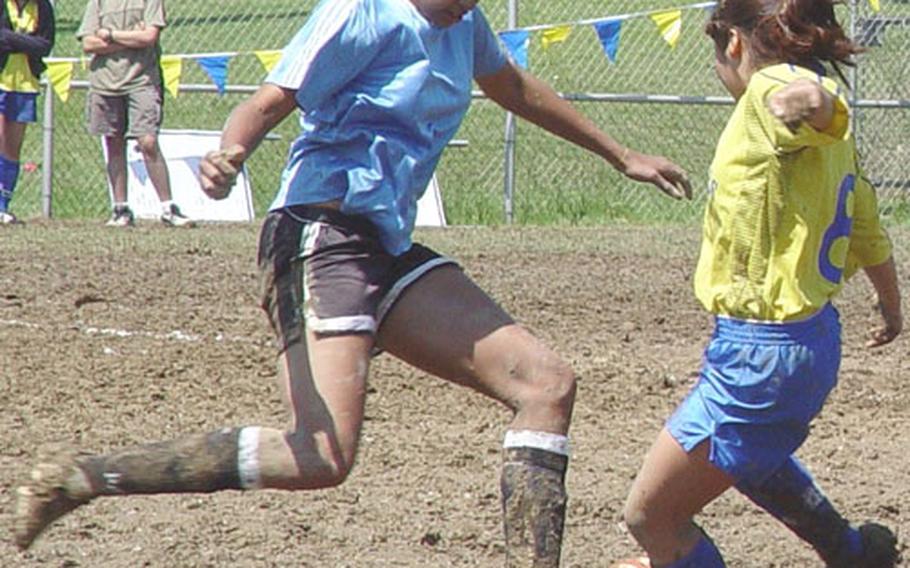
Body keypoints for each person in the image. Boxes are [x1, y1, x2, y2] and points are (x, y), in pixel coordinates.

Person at [14, 0, 691, 565]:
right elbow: (270, 99)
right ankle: (81, 477)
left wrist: (622, 155)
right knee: (320, 455)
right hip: (319, 237)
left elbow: (510, 86)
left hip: (384, 246)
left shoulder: (465, 21)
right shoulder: (361, 14)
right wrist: (230, 152)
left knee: (546, 384)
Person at [611, 1, 903, 567]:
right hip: (810, 343)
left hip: (760, 354)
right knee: (750, 455)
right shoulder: (831, 143)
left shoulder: (773, 91)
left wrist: (817, 103)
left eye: (716, 55)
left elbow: (809, 98)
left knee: (652, 517)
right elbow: (867, 225)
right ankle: (851, 553)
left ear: (737, 45)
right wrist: (892, 306)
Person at [75, 0, 193, 227]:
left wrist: (109, 35)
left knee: (148, 141)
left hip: (143, 81)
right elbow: (88, 43)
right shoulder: (98, 2)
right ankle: (120, 208)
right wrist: (130, 38)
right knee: (113, 143)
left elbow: (149, 37)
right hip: (105, 82)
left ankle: (168, 207)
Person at [0, 0, 54, 225]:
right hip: (1, 81)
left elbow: (44, 46)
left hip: (25, 84)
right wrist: (26, 41)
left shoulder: (43, 7)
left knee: (12, 148)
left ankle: (3, 205)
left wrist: (11, 39)